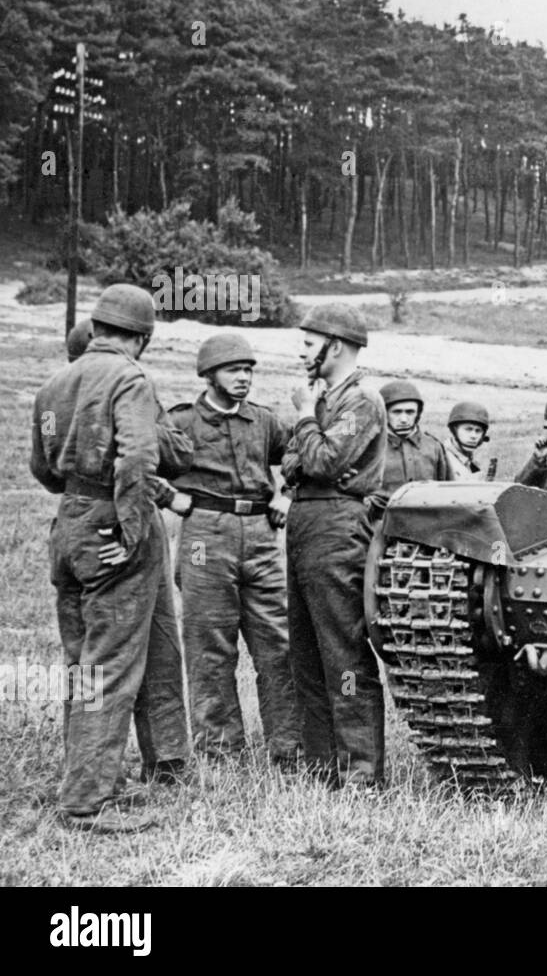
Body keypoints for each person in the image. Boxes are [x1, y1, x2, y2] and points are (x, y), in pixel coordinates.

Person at [33, 285, 173, 833]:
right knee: (111, 666)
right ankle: (86, 802)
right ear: (141, 337)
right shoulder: (129, 378)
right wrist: (131, 528)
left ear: (94, 328)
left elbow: (42, 470)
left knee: (82, 663)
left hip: (68, 521)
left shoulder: (52, 383)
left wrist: (79, 493)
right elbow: (139, 456)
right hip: (110, 522)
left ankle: (85, 780)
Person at [67, 319, 193, 785]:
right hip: (119, 525)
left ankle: (166, 760)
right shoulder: (122, 385)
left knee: (149, 644)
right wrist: (131, 524)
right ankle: (92, 783)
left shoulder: (66, 391)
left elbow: (178, 450)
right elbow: (156, 455)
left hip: (88, 521)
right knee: (105, 661)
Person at [167, 332, 300, 766]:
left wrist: (287, 493)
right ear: (209, 375)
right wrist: (166, 496)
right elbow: (136, 458)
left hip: (261, 534)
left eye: (248, 370)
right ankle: (221, 751)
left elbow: (303, 454)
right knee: (210, 643)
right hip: (205, 536)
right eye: (233, 370)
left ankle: (289, 747)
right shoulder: (183, 422)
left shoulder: (263, 421)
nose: (243, 378)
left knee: (278, 642)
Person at [280, 303, 387, 787]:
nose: (302, 352)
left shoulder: (362, 399)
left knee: (342, 651)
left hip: (339, 524)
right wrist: (312, 443)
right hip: (306, 519)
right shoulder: (326, 398)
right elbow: (290, 465)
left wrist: (306, 419)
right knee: (305, 651)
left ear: (334, 345)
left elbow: (321, 461)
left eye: (308, 342)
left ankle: (361, 773)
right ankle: (322, 766)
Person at [371, 379, 450, 517]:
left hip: (426, 523)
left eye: (410, 412)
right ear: (384, 413)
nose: (403, 419)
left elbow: (448, 491)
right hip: (380, 524)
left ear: (418, 413)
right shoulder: (371, 446)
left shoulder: (433, 447)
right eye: (396, 412)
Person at [443, 400, 490, 481]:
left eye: (478, 431)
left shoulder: (476, 462)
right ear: (454, 430)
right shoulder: (442, 459)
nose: (473, 436)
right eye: (468, 429)